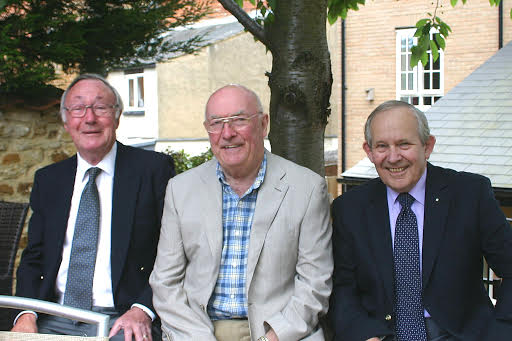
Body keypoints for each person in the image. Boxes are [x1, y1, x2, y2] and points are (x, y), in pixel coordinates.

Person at [149, 84, 332, 341]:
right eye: (216, 123)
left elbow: (315, 283)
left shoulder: (307, 188)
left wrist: (274, 337)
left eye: (239, 120)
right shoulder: (180, 190)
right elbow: (166, 282)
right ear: (208, 130)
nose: (227, 133)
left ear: (263, 124)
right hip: (198, 330)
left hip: (277, 331)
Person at [330, 100, 512, 341]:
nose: (393, 157)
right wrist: (365, 335)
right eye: (382, 146)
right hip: (383, 334)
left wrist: (500, 332)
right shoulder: (350, 209)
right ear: (369, 151)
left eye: (404, 144)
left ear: (428, 146)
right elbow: (343, 288)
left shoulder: (470, 194)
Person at [12, 73, 175, 341]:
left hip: (121, 318)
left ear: (117, 116)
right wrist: (27, 313)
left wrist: (143, 309)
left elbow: (172, 254)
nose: (89, 118)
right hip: (53, 315)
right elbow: (34, 258)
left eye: (100, 107)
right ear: (66, 121)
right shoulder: (49, 179)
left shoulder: (152, 170)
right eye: (78, 108)